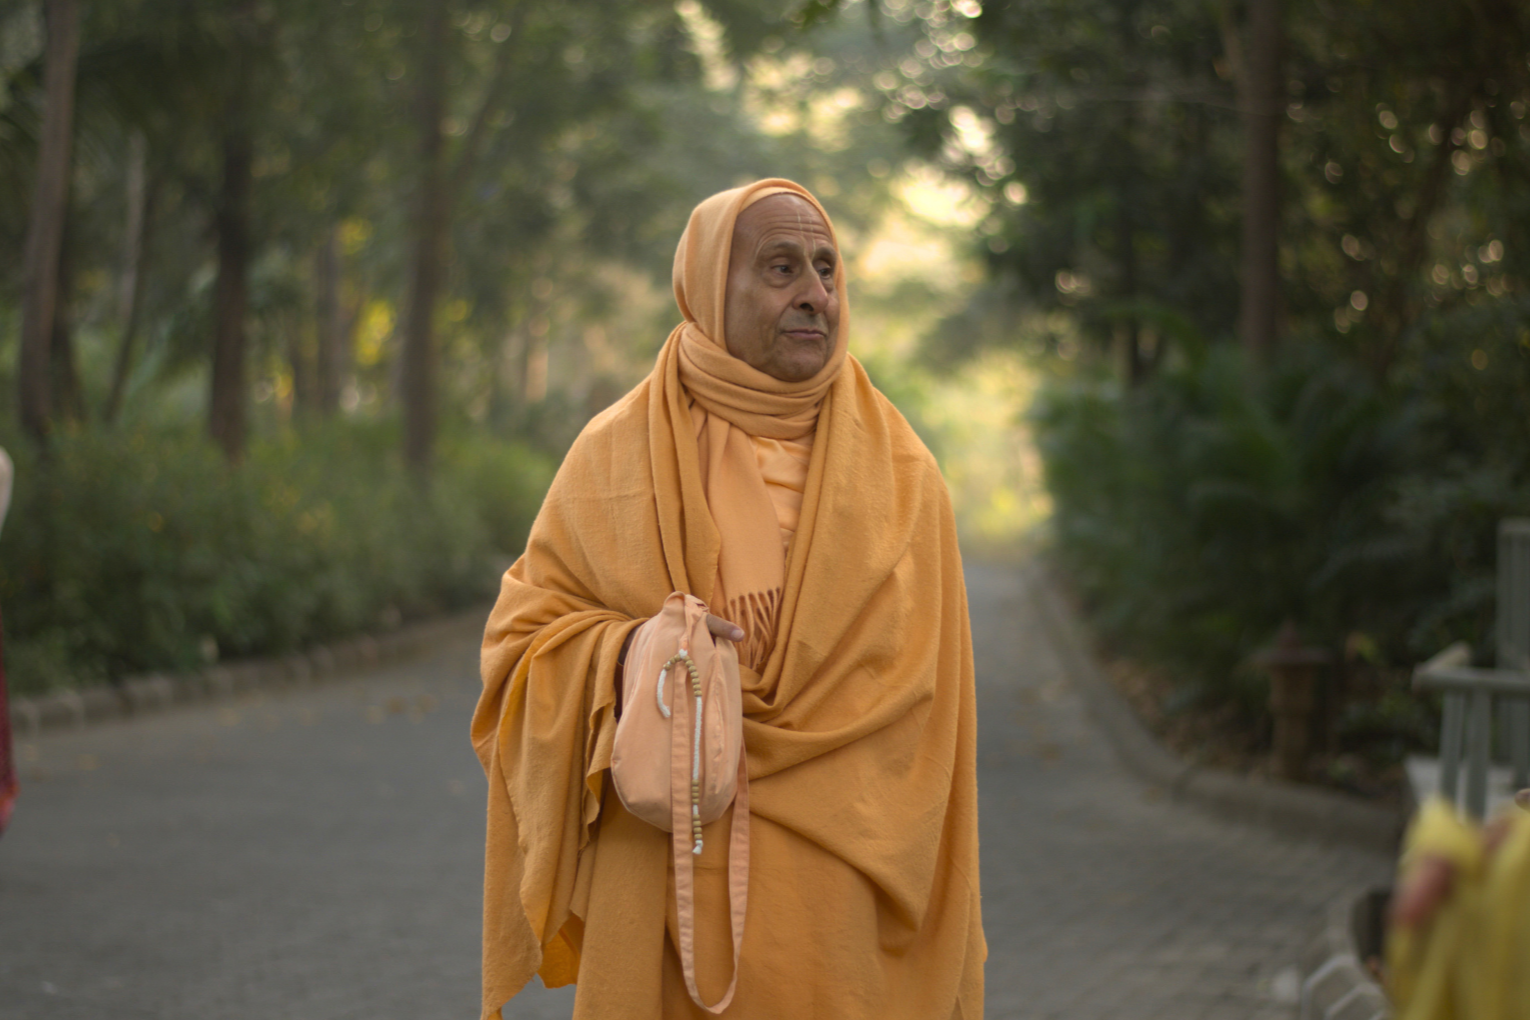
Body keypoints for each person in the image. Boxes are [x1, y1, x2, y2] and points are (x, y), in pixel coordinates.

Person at [472, 179, 984, 1019]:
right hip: (664, 864)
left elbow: (934, 715)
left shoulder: (903, 475)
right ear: (710, 286)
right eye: (780, 268)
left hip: (841, 877)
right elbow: (520, 644)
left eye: (825, 270)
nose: (814, 295)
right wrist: (634, 653)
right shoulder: (616, 453)